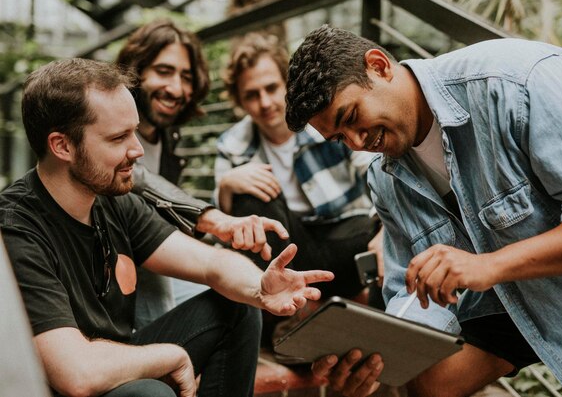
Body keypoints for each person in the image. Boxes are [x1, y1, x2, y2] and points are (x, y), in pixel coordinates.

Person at [285, 25, 562, 397]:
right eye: (338, 138)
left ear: (379, 66)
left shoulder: (519, 79)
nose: (356, 143)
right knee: (428, 384)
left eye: (351, 117)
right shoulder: (384, 179)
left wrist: (488, 266)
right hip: (510, 294)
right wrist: (377, 360)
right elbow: (411, 294)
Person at [0, 58, 334, 397]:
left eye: (134, 131)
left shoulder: (111, 199)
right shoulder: (15, 229)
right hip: (63, 382)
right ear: (63, 146)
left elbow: (209, 263)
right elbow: (76, 374)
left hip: (112, 361)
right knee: (150, 393)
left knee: (237, 308)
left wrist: (260, 288)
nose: (138, 150)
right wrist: (169, 355)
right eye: (118, 138)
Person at [115, 19, 289, 328]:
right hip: (115, 267)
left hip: (156, 257)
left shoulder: (168, 138)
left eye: (186, 77)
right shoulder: (108, 127)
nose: (177, 88)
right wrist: (215, 219)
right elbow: (134, 178)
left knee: (237, 304)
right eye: (164, 71)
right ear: (136, 71)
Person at [216, 32, 384, 307]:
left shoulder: (323, 121)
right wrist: (225, 188)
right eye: (252, 95)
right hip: (285, 255)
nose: (265, 103)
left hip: (347, 243)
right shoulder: (233, 145)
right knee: (247, 197)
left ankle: (345, 304)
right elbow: (224, 232)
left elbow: (375, 171)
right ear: (240, 101)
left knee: (376, 227)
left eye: (271, 88)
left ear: (287, 85)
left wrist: (384, 229)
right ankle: (291, 308)